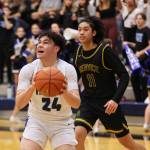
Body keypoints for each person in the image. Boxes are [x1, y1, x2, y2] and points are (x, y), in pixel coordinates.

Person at [73, 16, 145, 150]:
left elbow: (124, 75)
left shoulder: (104, 51)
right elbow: (75, 76)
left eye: (85, 29)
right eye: (79, 30)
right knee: (77, 135)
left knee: (128, 144)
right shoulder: (78, 52)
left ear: (93, 33)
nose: (81, 32)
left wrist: (115, 100)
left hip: (108, 104)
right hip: (88, 102)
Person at [15, 31, 80, 150]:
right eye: (39, 42)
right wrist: (33, 86)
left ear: (56, 48)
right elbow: (19, 103)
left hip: (62, 123)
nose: (39, 45)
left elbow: (76, 103)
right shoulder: (28, 69)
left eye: (45, 43)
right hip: (36, 121)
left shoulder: (68, 69)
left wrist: (65, 92)